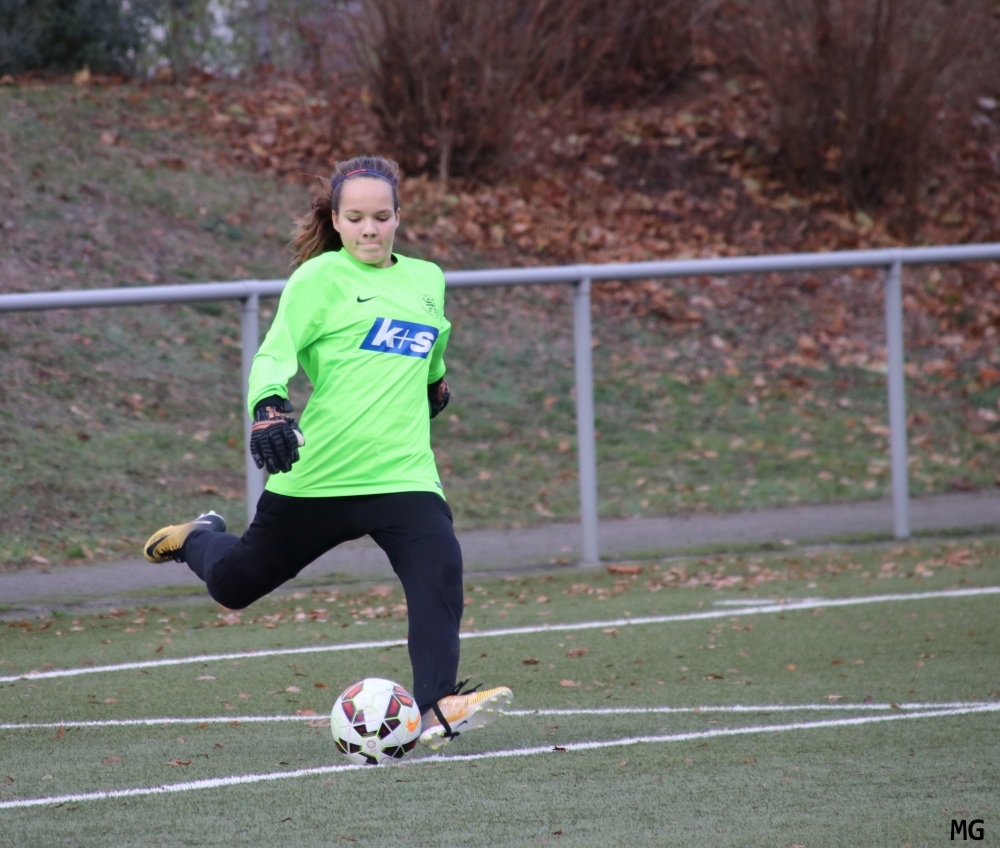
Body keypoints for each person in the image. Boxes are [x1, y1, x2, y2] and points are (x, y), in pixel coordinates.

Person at [143, 155, 512, 750]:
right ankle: (197, 538)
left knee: (439, 572)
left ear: (399, 217)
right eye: (356, 218)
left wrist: (435, 384)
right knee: (234, 587)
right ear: (336, 220)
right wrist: (269, 406)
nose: (370, 229)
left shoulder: (427, 279)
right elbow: (274, 354)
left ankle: (436, 704)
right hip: (320, 477)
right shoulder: (318, 279)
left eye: (382, 217)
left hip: (403, 475)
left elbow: (433, 346)